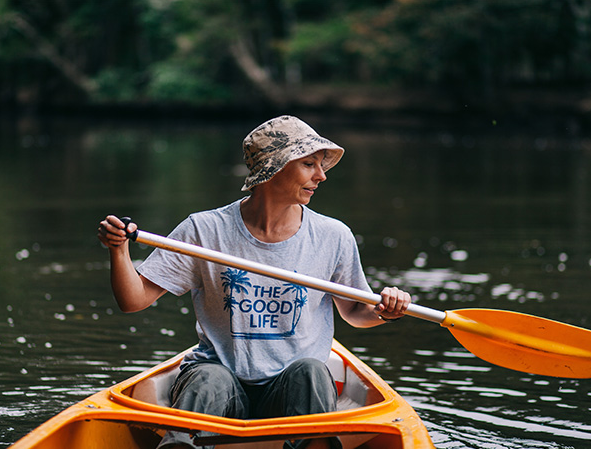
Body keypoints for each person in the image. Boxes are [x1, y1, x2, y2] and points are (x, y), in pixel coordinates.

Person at [97, 115, 411, 449]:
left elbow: (355, 312)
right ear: (274, 168)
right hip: (221, 382)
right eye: (308, 164)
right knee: (208, 375)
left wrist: (384, 310)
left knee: (311, 371)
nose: (320, 176)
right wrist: (119, 250)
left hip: (291, 389)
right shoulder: (204, 230)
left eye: (320, 166)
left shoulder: (333, 236)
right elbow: (133, 300)